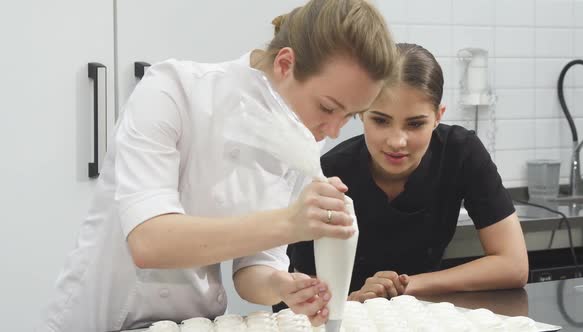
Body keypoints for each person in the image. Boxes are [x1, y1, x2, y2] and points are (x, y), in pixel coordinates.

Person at [40, 1, 396, 331]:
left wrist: (282, 286)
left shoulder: (299, 139)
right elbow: (150, 242)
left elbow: (253, 270)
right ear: (285, 64)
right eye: (328, 107)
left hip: (192, 322)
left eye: (348, 117)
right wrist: (290, 223)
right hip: (99, 318)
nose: (332, 131)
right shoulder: (172, 91)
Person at [288, 43, 529, 303]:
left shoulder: (461, 153)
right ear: (361, 112)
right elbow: (299, 294)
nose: (397, 141)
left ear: (438, 116)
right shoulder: (328, 173)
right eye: (380, 120)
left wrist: (404, 286)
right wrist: (356, 301)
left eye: (415, 124)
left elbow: (514, 265)